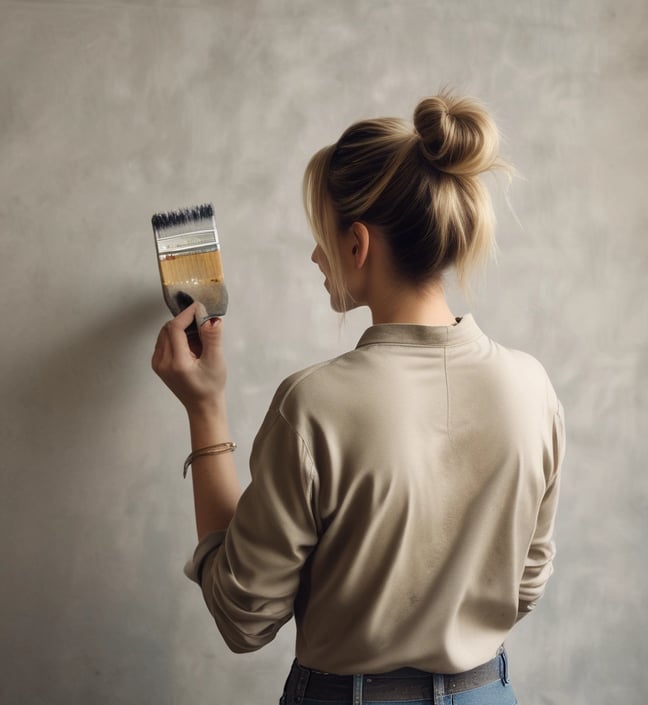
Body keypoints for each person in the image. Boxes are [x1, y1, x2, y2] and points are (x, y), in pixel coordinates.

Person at [152, 92, 566, 705]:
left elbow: (243, 618)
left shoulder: (314, 405)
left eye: (322, 236)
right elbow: (526, 581)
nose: (316, 255)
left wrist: (203, 408)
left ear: (358, 244)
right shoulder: (533, 388)